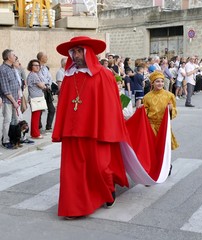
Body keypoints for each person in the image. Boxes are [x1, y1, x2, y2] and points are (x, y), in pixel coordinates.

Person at [52, 36, 129, 219]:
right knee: (73, 172)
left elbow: (111, 105)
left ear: (89, 53)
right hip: (73, 132)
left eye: (80, 51)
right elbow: (63, 105)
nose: (76, 55)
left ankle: (108, 191)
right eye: (74, 52)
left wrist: (110, 128)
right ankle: (74, 207)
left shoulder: (104, 74)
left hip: (96, 130)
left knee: (101, 167)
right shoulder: (69, 77)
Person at [143, 71, 179, 151]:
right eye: (157, 81)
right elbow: (144, 113)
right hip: (151, 127)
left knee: (165, 149)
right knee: (153, 148)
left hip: (164, 126)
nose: (160, 83)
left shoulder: (169, 95)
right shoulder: (147, 97)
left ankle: (166, 163)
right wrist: (141, 110)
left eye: (162, 81)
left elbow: (174, 111)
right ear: (152, 83)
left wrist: (171, 109)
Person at [0, 49, 20, 149]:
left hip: (15, 99)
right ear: (8, 57)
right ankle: (5, 140)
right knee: (7, 120)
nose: (15, 57)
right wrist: (14, 101)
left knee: (14, 120)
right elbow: (5, 89)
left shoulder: (12, 68)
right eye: (14, 55)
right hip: (8, 100)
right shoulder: (3, 69)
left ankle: (13, 138)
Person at [27, 59, 47, 139]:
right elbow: (42, 85)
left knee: (37, 116)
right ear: (31, 67)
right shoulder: (33, 75)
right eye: (35, 65)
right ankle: (35, 134)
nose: (37, 67)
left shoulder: (36, 74)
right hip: (35, 98)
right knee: (36, 117)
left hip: (37, 98)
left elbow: (43, 83)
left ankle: (34, 133)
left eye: (38, 65)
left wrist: (43, 84)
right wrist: (44, 85)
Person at [37, 52, 55, 131]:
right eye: (45, 57)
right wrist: (45, 83)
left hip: (47, 90)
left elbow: (49, 78)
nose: (47, 58)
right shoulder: (37, 67)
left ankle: (49, 126)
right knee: (40, 109)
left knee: (52, 109)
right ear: (41, 58)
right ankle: (39, 126)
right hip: (41, 90)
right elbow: (40, 79)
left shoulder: (45, 68)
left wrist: (48, 84)